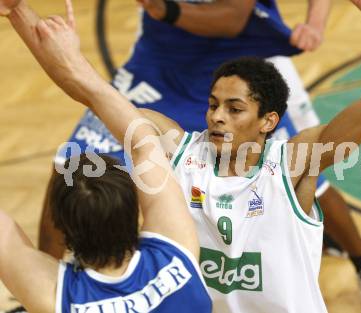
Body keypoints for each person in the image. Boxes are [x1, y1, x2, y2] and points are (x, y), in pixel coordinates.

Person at [1, 0, 361, 311]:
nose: (216, 117)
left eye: (233, 108)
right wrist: (18, 9)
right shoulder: (178, 151)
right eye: (212, 104)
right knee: (71, 166)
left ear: (268, 121)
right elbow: (88, 88)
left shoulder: (292, 164)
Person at [0, 1, 212, 312]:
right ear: (135, 207)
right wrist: (75, 63)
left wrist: (15, 10)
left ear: (63, 226)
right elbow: (141, 139)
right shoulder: (177, 250)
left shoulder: (58, 298)